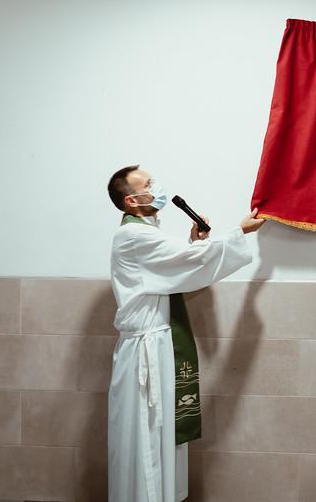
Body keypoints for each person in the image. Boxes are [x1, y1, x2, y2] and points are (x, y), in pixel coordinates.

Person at [106, 165, 265, 501]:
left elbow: (175, 268)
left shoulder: (142, 232)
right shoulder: (134, 235)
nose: (156, 186)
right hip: (146, 357)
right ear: (132, 199)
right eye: (148, 183)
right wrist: (239, 231)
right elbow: (183, 263)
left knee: (160, 437)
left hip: (157, 345)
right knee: (148, 439)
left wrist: (195, 242)